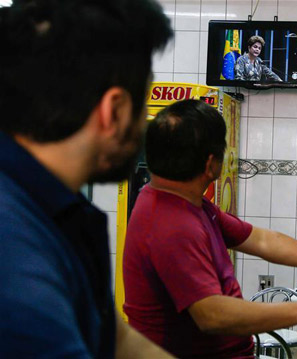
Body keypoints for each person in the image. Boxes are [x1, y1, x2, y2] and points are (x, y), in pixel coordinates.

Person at [122, 99, 297, 358]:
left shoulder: (184, 202)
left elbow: (262, 240)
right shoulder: (171, 224)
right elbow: (212, 315)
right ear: (211, 164)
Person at [0, 0, 175, 357]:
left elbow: (114, 337)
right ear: (115, 110)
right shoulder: (16, 261)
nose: (145, 126)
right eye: (144, 106)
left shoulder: (52, 205)